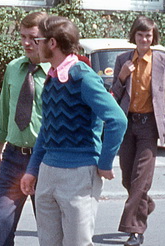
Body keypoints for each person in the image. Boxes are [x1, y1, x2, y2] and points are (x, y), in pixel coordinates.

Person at [20, 15, 126, 246]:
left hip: (79, 174)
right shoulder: (51, 78)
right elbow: (46, 130)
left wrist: (105, 162)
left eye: (38, 40)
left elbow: (118, 120)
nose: (33, 45)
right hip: (48, 172)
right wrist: (32, 169)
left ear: (52, 43)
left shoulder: (83, 77)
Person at [111, 16, 165, 246]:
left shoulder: (163, 60)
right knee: (127, 178)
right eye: (140, 35)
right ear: (134, 35)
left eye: (148, 35)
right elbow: (113, 94)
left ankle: (135, 231)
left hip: (150, 127)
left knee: (141, 178)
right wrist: (122, 76)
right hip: (127, 124)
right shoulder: (122, 59)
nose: (144, 39)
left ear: (154, 38)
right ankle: (147, 205)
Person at [0, 11, 49, 246]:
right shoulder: (14, 68)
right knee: (0, 222)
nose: (26, 43)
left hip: (44, 160)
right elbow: (4, 113)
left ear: (46, 39)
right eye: (23, 36)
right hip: (13, 157)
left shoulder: (56, 73)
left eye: (33, 38)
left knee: (48, 228)